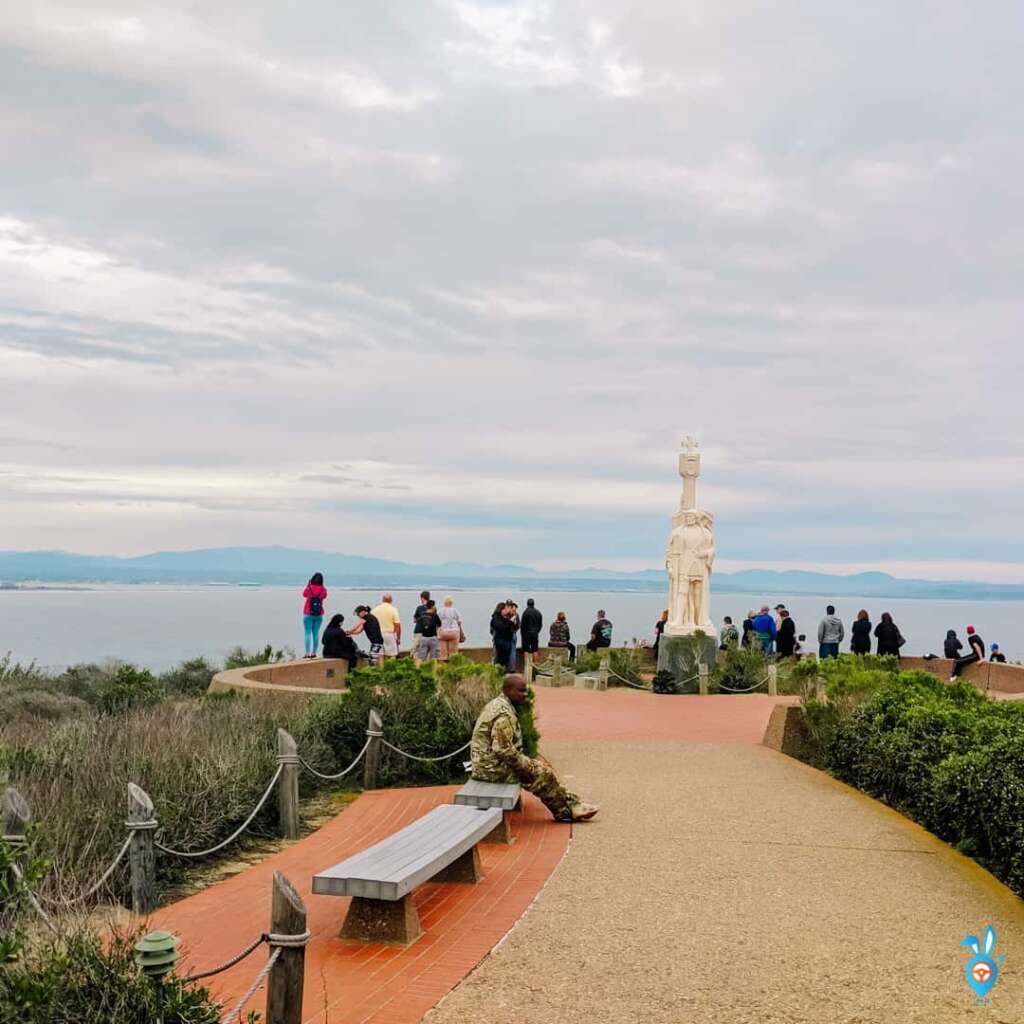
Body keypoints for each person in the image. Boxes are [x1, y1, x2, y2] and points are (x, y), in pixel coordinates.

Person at [470, 673, 598, 822]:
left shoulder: (498, 704)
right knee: (542, 774)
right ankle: (566, 812)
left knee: (541, 771)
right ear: (508, 690)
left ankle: (573, 805)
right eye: (521, 691)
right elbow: (502, 749)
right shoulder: (504, 713)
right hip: (490, 770)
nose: (525, 695)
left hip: (487, 764)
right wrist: (525, 766)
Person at [302, 572, 327, 659]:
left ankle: (307, 653)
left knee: (307, 632)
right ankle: (314, 652)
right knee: (315, 633)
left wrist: (308, 585)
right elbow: (325, 596)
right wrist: (322, 586)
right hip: (319, 614)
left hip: (308, 613)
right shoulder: (323, 590)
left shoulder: (309, 588)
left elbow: (304, 594)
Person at [371, 593, 401, 658]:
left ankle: (381, 668)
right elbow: (397, 625)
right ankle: (392, 667)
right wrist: (398, 638)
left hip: (377, 634)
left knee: (380, 654)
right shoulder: (393, 609)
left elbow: (371, 623)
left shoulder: (375, 609)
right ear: (391, 600)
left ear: (383, 600)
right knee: (392, 654)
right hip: (389, 634)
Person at [413, 599, 441, 665]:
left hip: (424, 638)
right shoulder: (435, 616)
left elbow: (417, 622)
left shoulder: (422, 615)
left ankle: (418, 670)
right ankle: (433, 672)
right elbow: (439, 625)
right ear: (433, 606)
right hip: (433, 638)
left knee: (421, 657)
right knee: (434, 657)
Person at [438, 595, 464, 661]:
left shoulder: (440, 611)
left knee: (443, 652)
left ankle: (443, 666)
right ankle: (453, 667)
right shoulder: (455, 611)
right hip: (454, 632)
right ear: (451, 603)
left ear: (444, 603)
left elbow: (437, 623)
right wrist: (461, 633)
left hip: (443, 632)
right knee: (453, 653)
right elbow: (459, 623)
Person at [491, 601, 515, 668]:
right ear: (501, 609)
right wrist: (510, 621)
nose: (506, 610)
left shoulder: (503, 617)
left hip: (506, 640)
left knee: (505, 659)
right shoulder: (496, 618)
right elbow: (502, 628)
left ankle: (503, 671)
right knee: (500, 659)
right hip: (501, 641)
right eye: (504, 609)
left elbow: (510, 627)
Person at [410, 590, 431, 661]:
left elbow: (414, 620)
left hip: (418, 631)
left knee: (415, 649)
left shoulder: (419, 608)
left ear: (422, 598)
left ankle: (415, 664)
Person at [504, 600, 520, 671]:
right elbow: (518, 626)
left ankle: (507, 668)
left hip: (508, 634)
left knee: (507, 651)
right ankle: (512, 668)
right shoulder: (516, 615)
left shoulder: (505, 614)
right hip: (513, 634)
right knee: (513, 651)